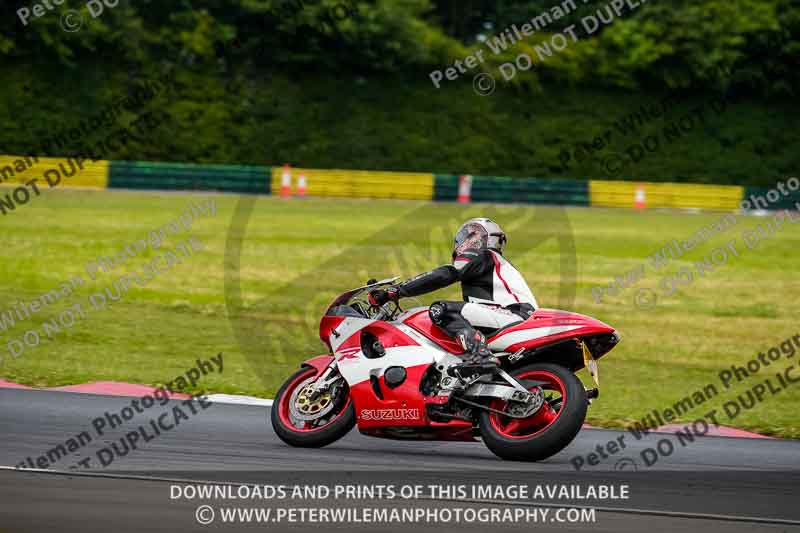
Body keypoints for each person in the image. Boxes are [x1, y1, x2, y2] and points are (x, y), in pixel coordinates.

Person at [369, 218, 538, 368]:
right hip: (516, 317)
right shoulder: (494, 263)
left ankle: (481, 355)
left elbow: (445, 275)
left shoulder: (484, 256)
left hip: (514, 315)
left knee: (441, 310)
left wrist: (396, 291)